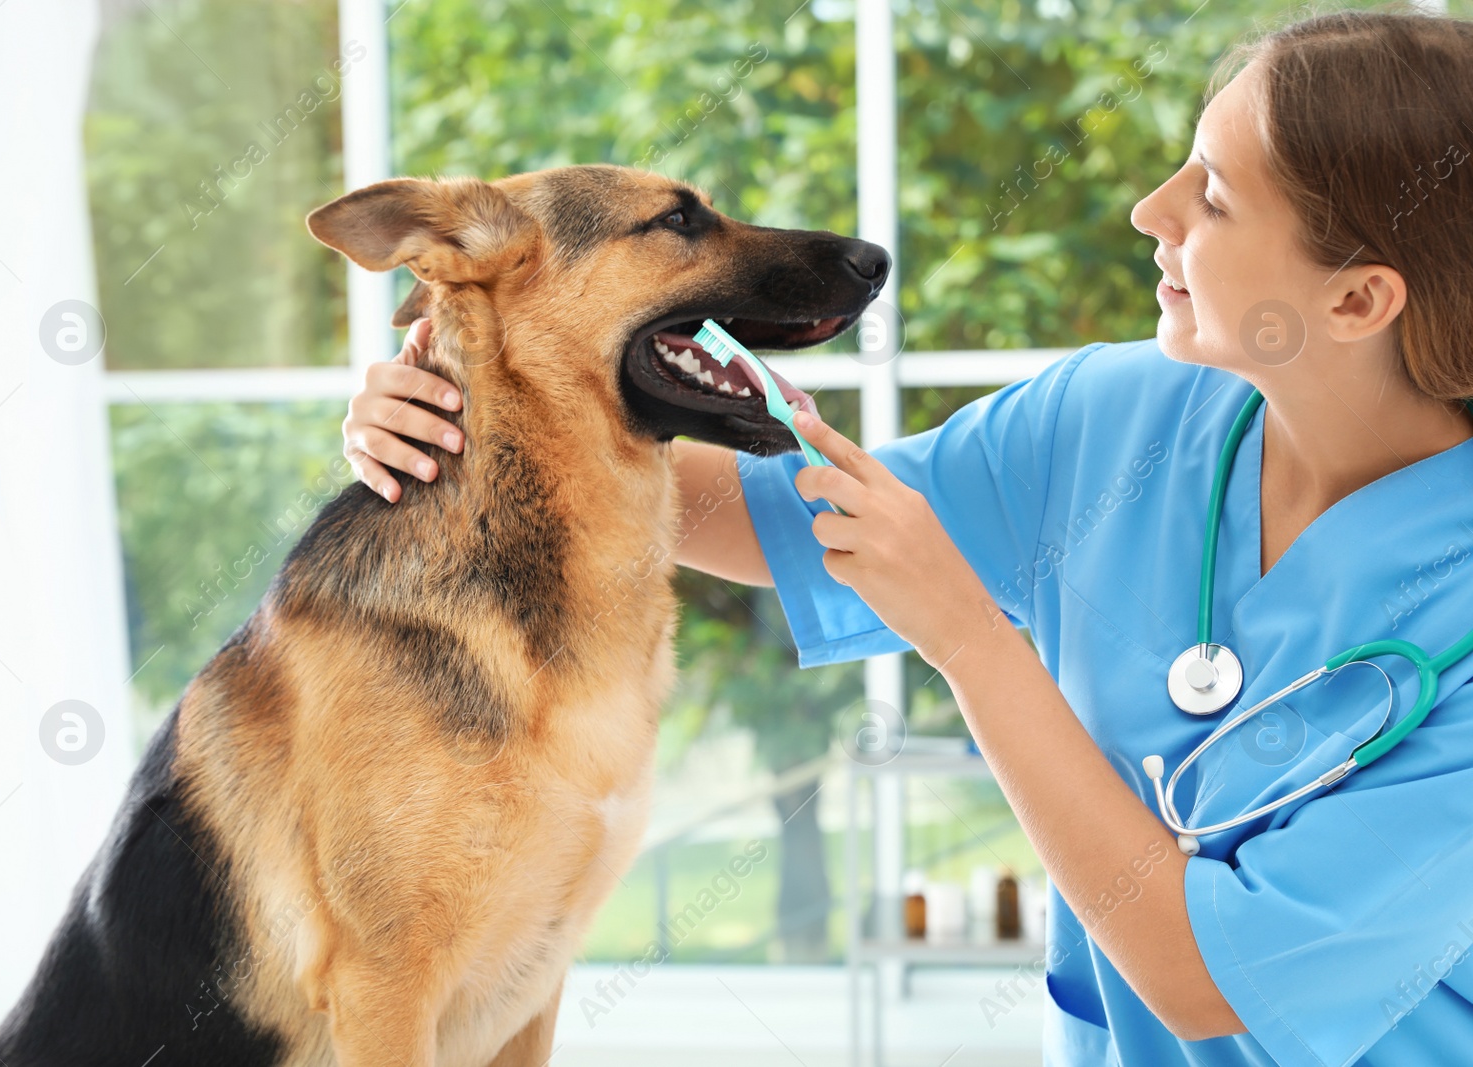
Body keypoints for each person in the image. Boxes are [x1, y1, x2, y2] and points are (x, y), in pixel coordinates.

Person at [340, 11, 1473, 1064]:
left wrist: (970, 640)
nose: (1150, 209)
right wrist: (474, 412)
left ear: (1358, 301)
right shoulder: (1119, 420)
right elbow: (766, 514)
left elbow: (1203, 975)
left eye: (1214, 195)